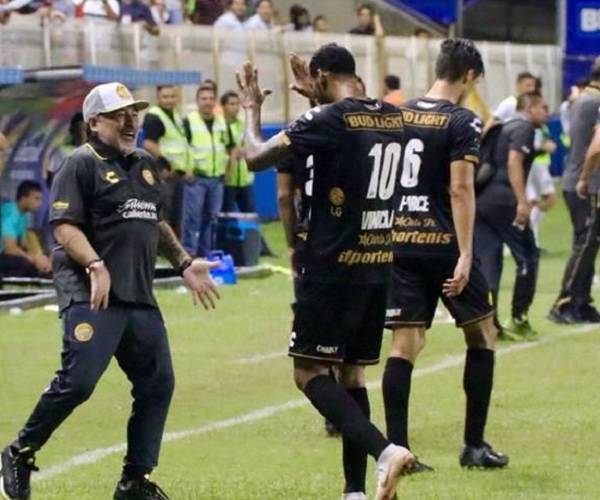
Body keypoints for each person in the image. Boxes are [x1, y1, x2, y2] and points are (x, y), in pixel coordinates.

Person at [0, 82, 220, 500]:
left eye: (133, 113)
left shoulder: (144, 163)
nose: (130, 121)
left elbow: (155, 221)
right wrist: (94, 264)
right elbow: (64, 227)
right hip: (91, 292)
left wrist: (184, 262)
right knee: (79, 381)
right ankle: (19, 451)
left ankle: (134, 480)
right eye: (119, 115)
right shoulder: (80, 163)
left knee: (158, 383)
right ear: (93, 123)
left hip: (137, 292)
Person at [237, 44, 415, 500]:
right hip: (376, 265)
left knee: (309, 372)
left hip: (331, 267)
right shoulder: (392, 117)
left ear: (319, 75)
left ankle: (385, 452)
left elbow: (255, 156)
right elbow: (348, 134)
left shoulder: (327, 119)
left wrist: (251, 109)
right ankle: (355, 490)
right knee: (352, 376)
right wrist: (318, 99)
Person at [382, 38, 508, 472]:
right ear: (469, 76)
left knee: (405, 344)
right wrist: (467, 252)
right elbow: (460, 188)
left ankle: (398, 452)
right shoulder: (461, 120)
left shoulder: (398, 113)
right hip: (443, 245)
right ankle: (474, 446)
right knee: (483, 333)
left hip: (400, 240)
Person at [475, 92, 548, 339]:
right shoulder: (524, 127)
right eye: (543, 107)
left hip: (483, 200)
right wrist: (522, 201)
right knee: (528, 257)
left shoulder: (501, 127)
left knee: (489, 262)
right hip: (505, 201)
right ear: (530, 107)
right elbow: (514, 160)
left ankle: (489, 325)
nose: (547, 113)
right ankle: (519, 318)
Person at [549, 65, 600, 323]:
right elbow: (596, 148)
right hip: (588, 183)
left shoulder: (580, 99)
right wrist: (585, 178)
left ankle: (581, 301)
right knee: (585, 243)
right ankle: (565, 302)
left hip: (577, 179)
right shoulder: (595, 102)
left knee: (588, 243)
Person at [182, 83, 229, 257]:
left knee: (211, 219)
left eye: (211, 99)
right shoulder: (188, 121)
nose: (207, 102)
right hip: (196, 179)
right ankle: (188, 255)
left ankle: (206, 254)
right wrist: (186, 171)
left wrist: (225, 171)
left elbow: (225, 147)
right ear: (197, 101)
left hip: (217, 179)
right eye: (203, 99)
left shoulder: (221, 121)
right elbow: (182, 148)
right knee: (192, 219)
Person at [0, 180, 51, 279]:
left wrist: (39, 257)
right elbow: (10, 248)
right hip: (3, 255)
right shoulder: (10, 213)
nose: (40, 203)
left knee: (41, 267)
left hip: (6, 255)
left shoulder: (24, 216)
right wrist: (33, 259)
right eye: (36, 198)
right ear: (24, 198)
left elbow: (23, 244)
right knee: (22, 264)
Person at [221, 91, 255, 212]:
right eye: (231, 104)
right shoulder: (220, 125)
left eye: (237, 104)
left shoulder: (243, 124)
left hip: (245, 179)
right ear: (223, 106)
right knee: (226, 215)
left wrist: (245, 150)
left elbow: (250, 146)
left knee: (250, 214)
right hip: (227, 180)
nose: (235, 107)